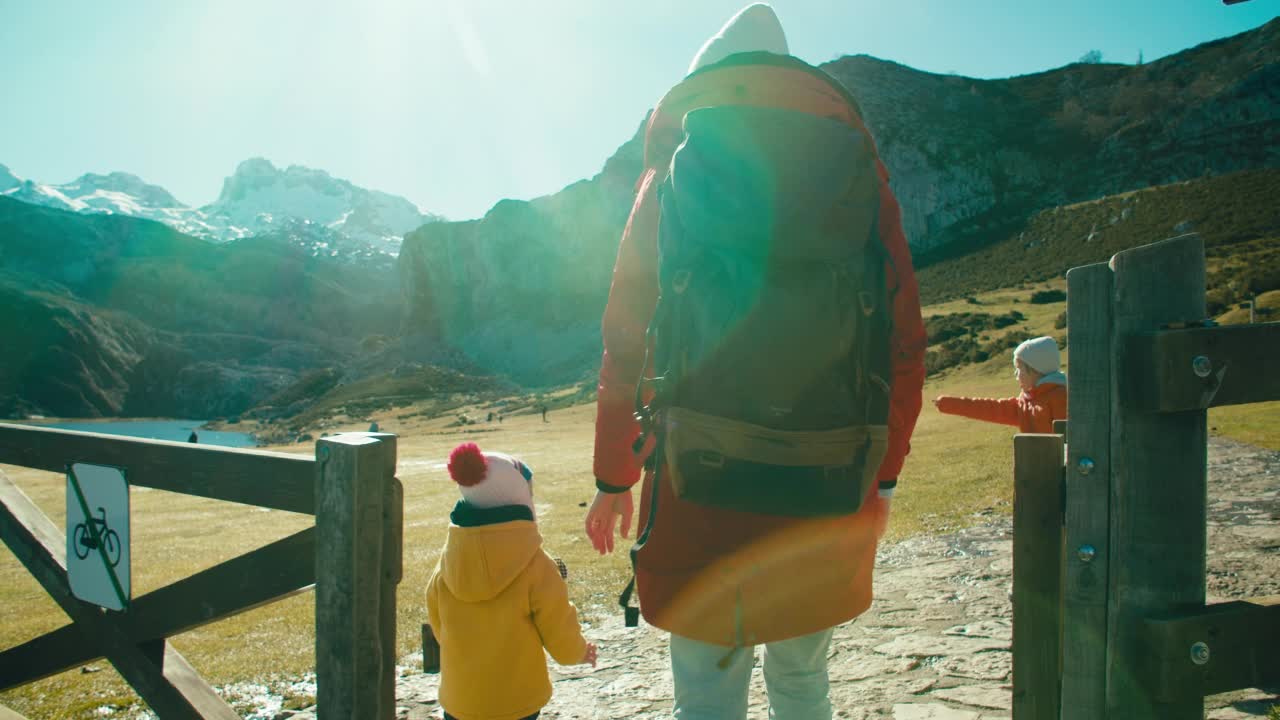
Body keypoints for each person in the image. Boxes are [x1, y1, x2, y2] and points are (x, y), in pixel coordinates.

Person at [584, 4, 927, 718]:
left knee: (707, 685)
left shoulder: (676, 171)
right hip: (829, 475)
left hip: (696, 476)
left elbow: (627, 339)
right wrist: (884, 475)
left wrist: (614, 476)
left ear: (704, 80)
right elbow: (901, 337)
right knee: (804, 679)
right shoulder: (857, 170)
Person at [427, 442, 597, 720]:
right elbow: (558, 627)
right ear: (521, 499)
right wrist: (578, 652)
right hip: (518, 700)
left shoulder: (447, 563)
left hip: (461, 700)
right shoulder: (537, 564)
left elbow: (439, 627)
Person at [933, 335, 1067, 433]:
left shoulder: (1062, 398)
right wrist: (948, 403)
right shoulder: (1025, 402)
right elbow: (991, 409)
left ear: (1036, 370)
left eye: (1018, 369)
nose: (1016, 374)